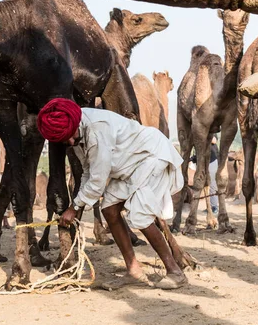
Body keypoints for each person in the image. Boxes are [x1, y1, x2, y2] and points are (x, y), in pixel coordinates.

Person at [37, 98, 187, 289]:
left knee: (140, 216)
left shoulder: (97, 130)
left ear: (75, 124)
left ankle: (175, 272)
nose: (71, 141)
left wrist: (74, 208)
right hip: (127, 165)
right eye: (66, 140)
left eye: (71, 136)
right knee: (109, 210)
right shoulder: (75, 127)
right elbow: (88, 172)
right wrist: (77, 204)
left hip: (149, 157)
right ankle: (133, 271)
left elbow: (98, 180)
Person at [189, 136, 219, 214]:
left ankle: (214, 207)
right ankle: (209, 207)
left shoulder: (211, 129)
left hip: (211, 161)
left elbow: (214, 140)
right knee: (204, 185)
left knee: (212, 184)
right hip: (201, 162)